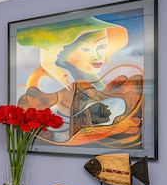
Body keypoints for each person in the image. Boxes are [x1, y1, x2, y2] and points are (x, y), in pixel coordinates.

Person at [16, 16, 143, 146]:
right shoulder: (50, 78)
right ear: (63, 51)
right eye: (85, 48)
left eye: (103, 46)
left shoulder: (94, 81)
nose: (98, 56)